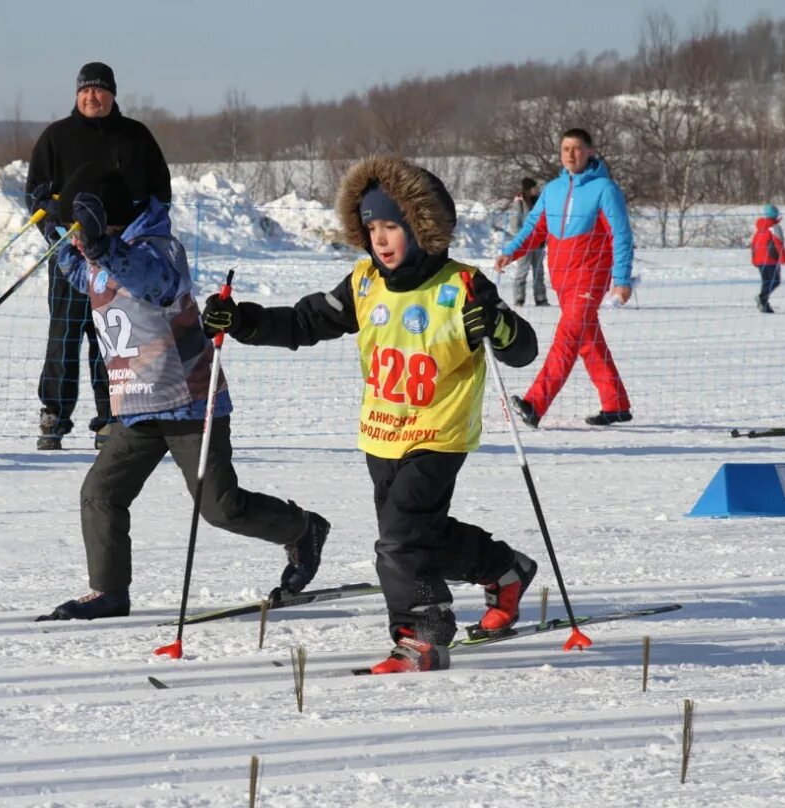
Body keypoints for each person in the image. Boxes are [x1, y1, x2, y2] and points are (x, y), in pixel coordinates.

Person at [202, 156, 539, 674]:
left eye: (392, 227)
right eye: (372, 228)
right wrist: (241, 319)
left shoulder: (463, 285)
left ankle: (422, 634)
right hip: (381, 435)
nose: (380, 240)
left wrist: (494, 323)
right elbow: (302, 322)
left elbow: (522, 350)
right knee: (414, 536)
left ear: (421, 228)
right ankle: (505, 569)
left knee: (400, 538)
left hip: (438, 433)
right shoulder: (364, 283)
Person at [35, 163, 330, 621]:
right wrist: (50, 226)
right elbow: (81, 273)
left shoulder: (157, 248)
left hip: (189, 401)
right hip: (138, 409)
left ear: (106, 219)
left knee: (221, 509)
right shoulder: (95, 257)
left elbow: (154, 283)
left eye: (82, 226)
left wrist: (100, 246)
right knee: (101, 493)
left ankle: (302, 529)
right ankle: (110, 592)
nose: (78, 239)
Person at [25, 61, 172, 450]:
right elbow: (36, 194)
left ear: (113, 94)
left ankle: (111, 416)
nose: (93, 97)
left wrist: (141, 234)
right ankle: (54, 413)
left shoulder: (136, 136)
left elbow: (161, 195)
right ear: (77, 95)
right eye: (86, 91)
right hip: (70, 252)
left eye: (100, 90)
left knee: (110, 336)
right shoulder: (57, 137)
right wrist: (52, 230)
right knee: (64, 332)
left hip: (121, 254)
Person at [496, 128, 634, 428]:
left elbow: (621, 236)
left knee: (568, 337)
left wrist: (622, 280)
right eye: (565, 149)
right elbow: (534, 228)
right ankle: (616, 403)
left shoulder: (605, 190)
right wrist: (511, 251)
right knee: (587, 339)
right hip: (561, 279)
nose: (571, 154)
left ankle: (535, 402)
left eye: (577, 148)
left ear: (591, 152)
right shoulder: (553, 190)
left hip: (590, 277)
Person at [508, 177, 548, 306]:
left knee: (539, 271)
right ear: (528, 189)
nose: (537, 189)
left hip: (538, 243)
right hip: (525, 244)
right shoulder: (519, 203)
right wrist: (522, 239)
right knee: (522, 271)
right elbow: (515, 224)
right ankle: (519, 298)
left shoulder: (540, 202)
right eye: (534, 187)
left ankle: (541, 298)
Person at [751, 203, 785, 314]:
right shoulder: (774, 227)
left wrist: (754, 259)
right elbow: (779, 243)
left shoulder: (760, 228)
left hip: (760, 260)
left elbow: (754, 244)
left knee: (766, 282)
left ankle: (764, 303)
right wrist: (783, 259)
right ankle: (762, 298)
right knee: (775, 281)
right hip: (771, 259)